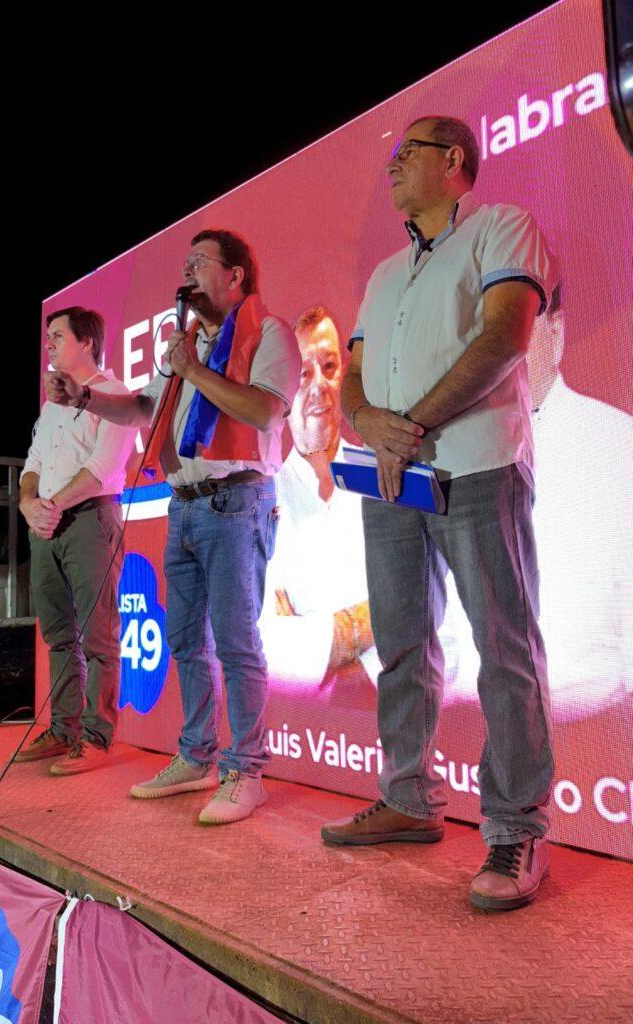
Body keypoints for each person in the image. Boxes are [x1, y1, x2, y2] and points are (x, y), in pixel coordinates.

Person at [320, 115, 558, 912]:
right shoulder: (387, 272)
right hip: (391, 480)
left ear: (453, 159)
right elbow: (353, 374)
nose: (391, 167)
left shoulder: (501, 227)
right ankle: (409, 798)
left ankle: (517, 826)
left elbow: (505, 337)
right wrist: (368, 422)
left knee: (504, 647)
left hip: (477, 467)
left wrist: (409, 425)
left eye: (405, 153)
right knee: (399, 644)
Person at [46, 230, 301, 823]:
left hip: (237, 501)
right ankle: (196, 757)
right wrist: (84, 397)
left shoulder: (271, 333)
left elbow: (265, 411)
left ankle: (247, 771)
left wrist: (193, 370)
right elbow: (144, 409)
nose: (186, 273)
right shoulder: (187, 345)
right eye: (185, 263)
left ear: (235, 276)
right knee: (186, 640)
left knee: (236, 642)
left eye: (199, 263)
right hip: (184, 504)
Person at [445, 287, 633, 719]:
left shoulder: (619, 447)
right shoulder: (448, 457)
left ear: (557, 332)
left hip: (590, 741)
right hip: (467, 735)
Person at [16, 307, 135, 775]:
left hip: (89, 520)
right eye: (47, 337)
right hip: (45, 526)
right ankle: (63, 729)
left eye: (57, 335)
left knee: (98, 635)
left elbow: (103, 468)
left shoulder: (115, 395)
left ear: (87, 342)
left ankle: (97, 737)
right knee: (58, 634)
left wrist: (51, 506)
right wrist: (29, 503)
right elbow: (33, 463)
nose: (48, 343)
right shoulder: (52, 406)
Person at [260, 306, 375, 692]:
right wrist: (375, 618)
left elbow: (430, 611)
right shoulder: (263, 499)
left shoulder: (383, 474)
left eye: (329, 367)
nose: (319, 386)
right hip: (302, 724)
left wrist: (315, 646)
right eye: (303, 374)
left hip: (395, 715)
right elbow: (266, 646)